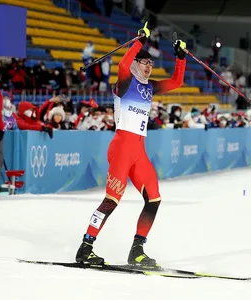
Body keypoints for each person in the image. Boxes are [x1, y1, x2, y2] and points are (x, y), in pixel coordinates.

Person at [75, 22, 187, 266]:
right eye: (145, 62)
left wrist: (180, 58)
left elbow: (177, 82)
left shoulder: (149, 87)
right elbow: (123, 64)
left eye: (152, 63)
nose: (149, 67)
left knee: (154, 199)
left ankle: (136, 251)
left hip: (139, 150)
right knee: (111, 200)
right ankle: (86, 247)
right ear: (136, 63)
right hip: (122, 147)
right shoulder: (124, 83)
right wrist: (140, 41)